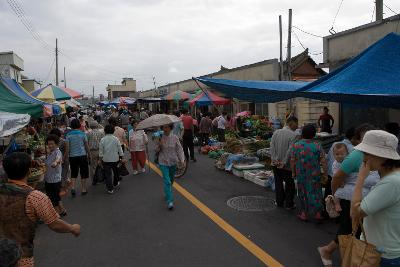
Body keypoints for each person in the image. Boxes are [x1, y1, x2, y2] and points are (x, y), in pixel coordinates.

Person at [0, 152, 80, 267]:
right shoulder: (35, 197)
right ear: (29, 172)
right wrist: (72, 228)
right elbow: (54, 224)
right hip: (21, 259)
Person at [318, 123, 379, 267]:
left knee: (355, 230)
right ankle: (329, 251)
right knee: (348, 229)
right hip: (349, 198)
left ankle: (349, 256)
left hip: (364, 198)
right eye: (365, 136)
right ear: (358, 139)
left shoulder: (372, 154)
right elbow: (337, 177)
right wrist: (335, 196)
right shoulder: (357, 154)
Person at [351, 130, 400, 266]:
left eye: (367, 153)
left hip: (382, 254)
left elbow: (355, 213)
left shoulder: (391, 182)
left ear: (382, 156)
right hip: (381, 249)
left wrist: (360, 179)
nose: (363, 158)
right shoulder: (392, 178)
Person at [289, 124, 328, 221]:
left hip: (301, 174)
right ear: (314, 134)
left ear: (302, 133)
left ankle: (303, 213)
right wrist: (326, 174)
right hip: (315, 174)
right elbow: (323, 161)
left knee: (302, 192)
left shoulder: (296, 145)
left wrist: (293, 172)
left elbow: (292, 160)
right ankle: (318, 213)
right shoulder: (317, 145)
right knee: (316, 192)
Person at [270, 116, 298, 209]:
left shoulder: (276, 132)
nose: (296, 126)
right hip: (286, 166)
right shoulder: (293, 135)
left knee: (278, 183)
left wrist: (274, 159)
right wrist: (284, 162)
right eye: (296, 124)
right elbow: (290, 150)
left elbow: (272, 147)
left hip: (275, 164)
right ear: (291, 123)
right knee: (290, 184)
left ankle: (279, 202)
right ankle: (289, 204)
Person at [155, 124, 185, 210]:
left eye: (167, 127)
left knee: (171, 180)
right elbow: (156, 150)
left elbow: (179, 149)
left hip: (173, 162)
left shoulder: (175, 137)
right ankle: (170, 201)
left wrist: (182, 160)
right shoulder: (159, 137)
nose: (165, 129)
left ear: (170, 128)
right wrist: (159, 145)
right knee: (167, 181)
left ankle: (167, 191)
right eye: (164, 127)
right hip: (163, 162)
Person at [64, 119, 91, 197]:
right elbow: (86, 146)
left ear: (71, 126)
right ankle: (83, 189)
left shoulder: (68, 135)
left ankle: (73, 187)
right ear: (79, 125)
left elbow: (67, 148)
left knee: (73, 172)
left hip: (73, 156)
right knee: (83, 172)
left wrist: (65, 157)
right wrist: (89, 155)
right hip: (82, 156)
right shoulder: (83, 134)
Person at [44, 134, 66, 216]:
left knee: (53, 198)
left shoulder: (57, 152)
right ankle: (63, 210)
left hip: (54, 180)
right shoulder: (51, 153)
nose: (50, 145)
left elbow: (58, 159)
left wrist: (55, 162)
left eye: (52, 144)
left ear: (56, 144)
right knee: (56, 197)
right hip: (49, 178)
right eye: (49, 144)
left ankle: (57, 214)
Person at [99, 124, 124, 194]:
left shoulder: (102, 140)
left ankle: (110, 189)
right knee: (116, 172)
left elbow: (101, 151)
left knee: (108, 174)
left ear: (105, 131)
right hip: (115, 159)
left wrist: (100, 160)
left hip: (106, 160)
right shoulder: (116, 139)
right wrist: (121, 157)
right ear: (113, 131)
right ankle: (115, 183)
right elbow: (120, 149)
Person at [330, 143, 349, 212]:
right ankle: (337, 204)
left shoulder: (348, 161)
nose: (339, 156)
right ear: (333, 155)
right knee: (337, 193)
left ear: (347, 154)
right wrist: (341, 182)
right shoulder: (335, 164)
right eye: (337, 154)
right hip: (339, 181)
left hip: (347, 181)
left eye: (342, 154)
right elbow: (336, 176)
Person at [87, 121, 105, 185]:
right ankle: (102, 178)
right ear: (97, 126)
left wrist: (87, 153)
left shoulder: (88, 133)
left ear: (90, 126)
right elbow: (103, 142)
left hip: (92, 151)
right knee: (101, 164)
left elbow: (87, 143)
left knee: (93, 166)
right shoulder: (101, 133)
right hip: (100, 150)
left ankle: (95, 180)